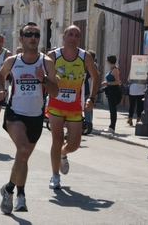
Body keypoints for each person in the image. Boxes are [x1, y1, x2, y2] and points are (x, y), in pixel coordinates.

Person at [0, 22, 59, 214]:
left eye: (36, 35)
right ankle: (20, 196)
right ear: (21, 38)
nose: (33, 38)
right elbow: (1, 76)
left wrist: (43, 80)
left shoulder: (46, 62)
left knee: (22, 156)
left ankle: (8, 188)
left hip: (36, 116)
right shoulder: (13, 61)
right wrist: (1, 90)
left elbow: (55, 91)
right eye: (29, 34)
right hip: (15, 113)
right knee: (23, 150)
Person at [47, 25, 100, 189]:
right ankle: (55, 176)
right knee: (56, 141)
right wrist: (50, 80)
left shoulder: (85, 57)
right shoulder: (53, 56)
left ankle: (64, 153)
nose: (73, 38)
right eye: (70, 34)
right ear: (64, 37)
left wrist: (91, 98)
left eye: (77, 35)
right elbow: (40, 75)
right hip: (55, 104)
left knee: (74, 144)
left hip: (75, 107)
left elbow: (95, 77)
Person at [101, 54, 122, 133]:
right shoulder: (111, 69)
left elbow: (117, 82)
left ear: (109, 61)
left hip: (114, 91)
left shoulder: (115, 70)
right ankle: (111, 126)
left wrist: (107, 83)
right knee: (111, 109)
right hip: (110, 91)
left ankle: (112, 127)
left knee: (113, 110)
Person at [84, 50, 97, 124]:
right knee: (88, 104)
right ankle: (88, 121)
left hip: (85, 87)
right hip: (86, 87)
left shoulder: (90, 65)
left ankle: (88, 122)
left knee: (87, 104)